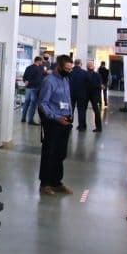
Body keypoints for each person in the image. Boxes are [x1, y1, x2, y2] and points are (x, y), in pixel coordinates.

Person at [38, 55, 75, 195]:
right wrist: (56, 118)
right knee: (50, 153)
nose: (69, 71)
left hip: (65, 122)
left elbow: (67, 99)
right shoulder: (49, 81)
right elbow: (43, 103)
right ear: (59, 67)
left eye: (70, 69)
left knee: (60, 154)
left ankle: (56, 182)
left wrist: (69, 116)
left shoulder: (66, 79)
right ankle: (45, 184)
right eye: (67, 69)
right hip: (53, 123)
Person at [70, 59, 100, 132]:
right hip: (82, 94)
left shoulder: (70, 71)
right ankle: (81, 126)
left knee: (71, 109)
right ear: (81, 64)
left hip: (71, 93)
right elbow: (90, 82)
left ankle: (69, 124)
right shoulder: (84, 73)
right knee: (81, 110)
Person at [21, 56, 44, 125]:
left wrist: (26, 81)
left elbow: (24, 77)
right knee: (33, 104)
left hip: (28, 88)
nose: (42, 62)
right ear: (38, 61)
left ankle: (23, 118)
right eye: (41, 61)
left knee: (26, 103)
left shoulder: (28, 67)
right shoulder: (39, 69)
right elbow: (39, 79)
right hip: (35, 88)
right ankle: (30, 120)